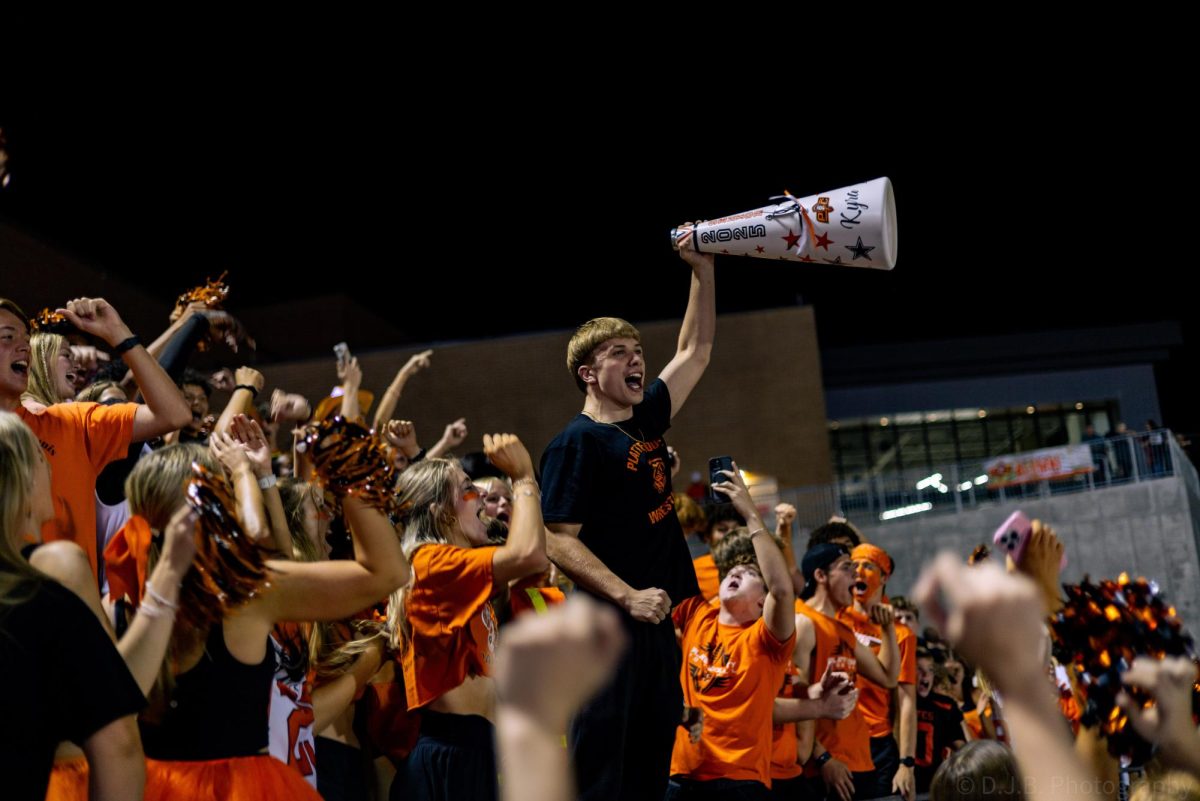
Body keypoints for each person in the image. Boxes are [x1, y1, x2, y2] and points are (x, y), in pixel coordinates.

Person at [539, 233, 715, 800]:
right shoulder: (576, 443)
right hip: (606, 628)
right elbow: (556, 540)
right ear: (589, 373)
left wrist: (702, 269)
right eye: (620, 353)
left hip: (652, 625)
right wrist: (628, 595)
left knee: (647, 773)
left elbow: (695, 351)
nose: (636, 359)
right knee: (601, 777)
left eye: (637, 351)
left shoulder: (644, 423)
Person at [390, 434, 548, 801]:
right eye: (466, 490)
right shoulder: (430, 563)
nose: (479, 497)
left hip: (475, 748)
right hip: (452, 755)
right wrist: (523, 478)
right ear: (439, 511)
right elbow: (528, 554)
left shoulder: (457, 570)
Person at [0, 411, 146, 801]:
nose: (49, 465)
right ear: (19, 480)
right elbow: (118, 742)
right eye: (38, 455)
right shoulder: (50, 584)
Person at [0, 297, 191, 576]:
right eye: (7, 336)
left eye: (25, 338)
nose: (23, 346)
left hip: (70, 610)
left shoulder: (72, 423)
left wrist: (119, 334)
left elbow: (173, 415)